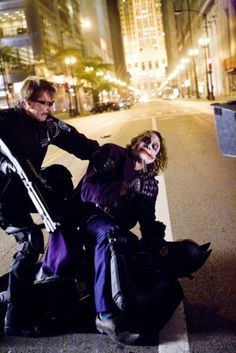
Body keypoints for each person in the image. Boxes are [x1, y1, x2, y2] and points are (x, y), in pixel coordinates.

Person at [0, 75, 99, 337]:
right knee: (31, 241)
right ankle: (15, 317)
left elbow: (76, 141)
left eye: (51, 103)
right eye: (43, 103)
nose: (49, 108)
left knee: (58, 177)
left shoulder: (48, 125)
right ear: (27, 102)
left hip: (27, 187)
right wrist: (3, 165)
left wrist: (103, 155)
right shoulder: (5, 122)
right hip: (3, 196)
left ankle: (68, 266)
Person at [74, 130, 169, 344]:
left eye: (155, 146)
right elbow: (86, 191)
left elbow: (147, 221)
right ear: (135, 141)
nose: (149, 144)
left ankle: (131, 304)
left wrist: (159, 246)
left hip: (117, 226)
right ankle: (104, 315)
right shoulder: (113, 154)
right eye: (146, 139)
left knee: (134, 247)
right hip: (90, 218)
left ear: (156, 158)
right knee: (110, 236)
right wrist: (123, 188)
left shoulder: (148, 183)